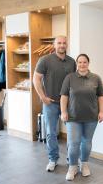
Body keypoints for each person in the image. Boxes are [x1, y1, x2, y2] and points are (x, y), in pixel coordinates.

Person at [33, 36, 76, 172]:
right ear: (54, 45)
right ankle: (53, 159)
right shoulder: (45, 60)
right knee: (51, 133)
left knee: (72, 133)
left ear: (67, 45)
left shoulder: (72, 62)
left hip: (69, 104)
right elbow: (36, 79)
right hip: (50, 103)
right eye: (59, 43)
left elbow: (74, 81)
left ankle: (72, 160)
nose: (62, 45)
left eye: (64, 43)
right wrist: (43, 97)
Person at [60, 53, 103, 181]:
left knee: (86, 143)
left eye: (84, 62)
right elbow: (64, 96)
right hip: (73, 117)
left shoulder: (96, 78)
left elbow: (101, 96)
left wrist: (101, 112)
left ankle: (84, 164)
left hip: (91, 117)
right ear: (77, 64)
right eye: (79, 62)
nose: (82, 64)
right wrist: (63, 112)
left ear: (88, 63)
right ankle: (73, 167)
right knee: (74, 143)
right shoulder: (70, 78)